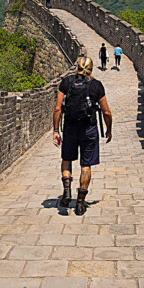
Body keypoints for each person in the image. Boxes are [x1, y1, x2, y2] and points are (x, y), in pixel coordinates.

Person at [53, 57, 112, 215]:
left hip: (70, 128)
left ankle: (66, 191)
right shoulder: (96, 86)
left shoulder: (66, 83)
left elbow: (58, 109)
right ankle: (80, 203)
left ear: (77, 67)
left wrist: (55, 131)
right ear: (91, 68)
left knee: (67, 159)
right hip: (89, 129)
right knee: (86, 165)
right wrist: (109, 129)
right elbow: (106, 112)